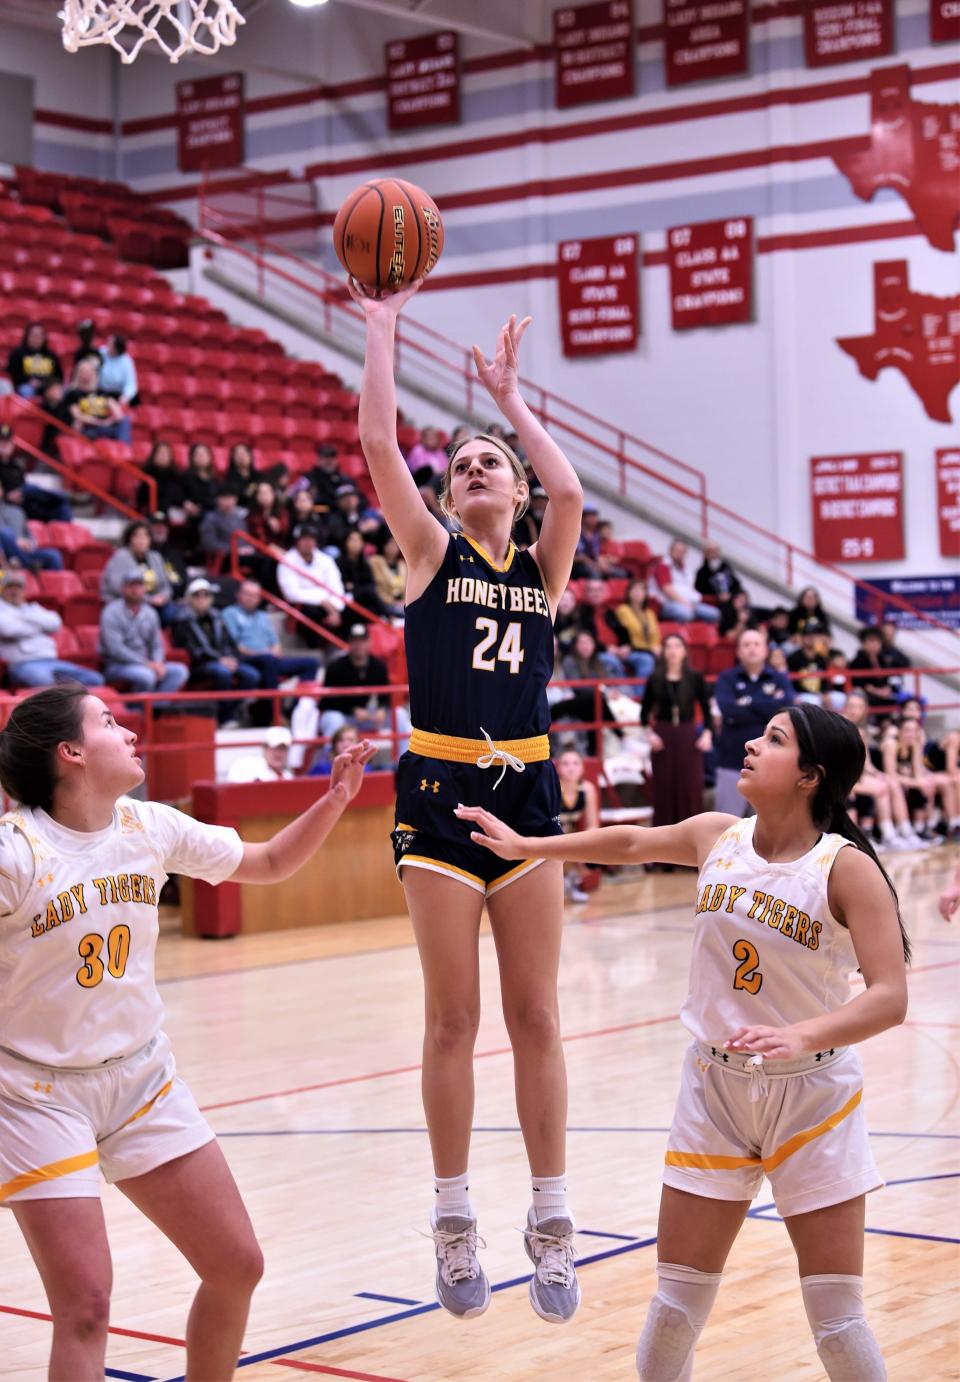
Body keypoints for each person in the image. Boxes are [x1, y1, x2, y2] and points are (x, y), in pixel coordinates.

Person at [458, 702, 910, 1382]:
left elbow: (889, 996)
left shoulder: (845, 869)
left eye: (775, 740)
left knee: (839, 1326)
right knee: (671, 1315)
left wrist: (801, 1032)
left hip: (814, 1099)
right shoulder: (717, 834)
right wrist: (528, 848)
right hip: (714, 1090)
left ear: (810, 776)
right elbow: (631, 845)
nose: (752, 744)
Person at [0, 682, 373, 1380]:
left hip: (142, 1079)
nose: (131, 731)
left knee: (237, 1265)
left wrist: (333, 800)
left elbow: (266, 864)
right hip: (36, 1093)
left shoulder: (150, 826)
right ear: (72, 752)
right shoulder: (17, 853)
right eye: (110, 722)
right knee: (84, 1306)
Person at [351, 277, 584, 1324]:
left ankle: (552, 1216)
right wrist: (383, 329)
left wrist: (512, 399)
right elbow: (378, 449)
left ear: (515, 489)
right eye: (464, 463)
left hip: (529, 793)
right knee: (455, 1017)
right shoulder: (432, 553)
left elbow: (571, 492)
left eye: (492, 460)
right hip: (442, 792)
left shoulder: (541, 565)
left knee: (537, 1014)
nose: (477, 466)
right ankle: (452, 1220)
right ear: (446, 498)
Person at [291, 622, 409, 758]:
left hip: (365, 716)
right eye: (355, 641)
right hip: (344, 717)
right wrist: (352, 709)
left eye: (362, 641)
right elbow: (326, 702)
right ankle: (331, 763)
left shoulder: (378, 666)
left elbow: (386, 693)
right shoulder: (336, 667)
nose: (359, 645)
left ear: (369, 643)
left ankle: (403, 764)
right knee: (333, 718)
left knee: (399, 714)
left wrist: (382, 708)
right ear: (349, 643)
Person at [714, 628, 794, 816]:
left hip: (772, 766)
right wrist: (768, 705)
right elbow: (729, 710)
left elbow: (786, 710)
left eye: (757, 644)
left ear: (765, 650)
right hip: (732, 762)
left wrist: (746, 703)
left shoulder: (780, 678)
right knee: (727, 828)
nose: (752, 649)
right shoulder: (726, 678)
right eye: (746, 644)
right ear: (739, 651)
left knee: (768, 831)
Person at [222, 579, 319, 724]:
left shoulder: (263, 616)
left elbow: (276, 645)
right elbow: (235, 646)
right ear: (238, 595)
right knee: (269, 660)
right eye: (247, 594)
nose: (251, 598)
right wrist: (264, 653)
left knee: (311, 663)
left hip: (269, 659)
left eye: (255, 595)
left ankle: (294, 711)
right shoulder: (229, 614)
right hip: (245, 659)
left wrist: (272, 651)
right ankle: (274, 713)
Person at [641, 632, 712, 827]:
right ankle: (663, 851)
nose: (672, 651)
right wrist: (650, 735)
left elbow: (707, 711)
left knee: (689, 787)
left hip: (688, 735)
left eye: (677, 646)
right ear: (663, 652)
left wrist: (706, 734)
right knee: (664, 788)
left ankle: (691, 839)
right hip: (663, 737)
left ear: (684, 651)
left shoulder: (695, 677)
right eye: (669, 646)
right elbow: (644, 713)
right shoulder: (655, 678)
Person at [841, 689, 922, 852]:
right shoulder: (838, 726)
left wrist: (880, 775)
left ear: (864, 710)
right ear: (845, 707)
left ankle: (900, 832)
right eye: (851, 706)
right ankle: (888, 835)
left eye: (858, 707)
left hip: (858, 777)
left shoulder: (862, 731)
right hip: (841, 778)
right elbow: (834, 762)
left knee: (889, 782)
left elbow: (867, 764)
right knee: (881, 788)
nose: (854, 710)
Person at [176, 579, 261, 725]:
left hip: (223, 661)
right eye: (197, 595)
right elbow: (193, 650)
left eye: (206, 595)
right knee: (222, 672)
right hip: (200, 664)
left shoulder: (217, 617)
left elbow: (229, 643)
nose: (202, 599)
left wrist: (232, 659)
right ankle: (226, 717)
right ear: (190, 598)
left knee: (252, 675)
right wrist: (220, 660)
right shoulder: (182, 620)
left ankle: (230, 711)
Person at [0, 569, 104, 688]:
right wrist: (41, 627)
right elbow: (8, 629)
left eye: (18, 587)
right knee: (46, 683)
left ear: (24, 591)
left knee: (94, 679)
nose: (15, 591)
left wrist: (23, 617)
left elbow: (56, 622)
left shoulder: (33, 608)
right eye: (10, 587)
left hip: (51, 661)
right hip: (22, 664)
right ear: (2, 589)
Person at [99, 574, 190, 697]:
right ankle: (136, 710)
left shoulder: (150, 612)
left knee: (180, 671)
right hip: (117, 665)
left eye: (140, 585)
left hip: (147, 663)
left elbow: (157, 644)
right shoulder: (111, 612)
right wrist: (146, 664)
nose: (136, 589)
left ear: (145, 589)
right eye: (132, 585)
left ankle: (155, 708)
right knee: (146, 675)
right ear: (123, 588)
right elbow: (115, 650)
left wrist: (158, 662)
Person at [276, 524, 345, 648]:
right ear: (297, 541)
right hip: (302, 606)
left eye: (311, 539)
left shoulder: (326, 560)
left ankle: (344, 651)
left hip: (329, 604)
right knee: (311, 612)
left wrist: (334, 609)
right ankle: (316, 649)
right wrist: (322, 601)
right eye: (304, 539)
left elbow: (337, 588)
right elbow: (292, 593)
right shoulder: (287, 560)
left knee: (353, 610)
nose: (308, 542)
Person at [100, 520, 179, 624]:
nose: (142, 540)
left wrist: (163, 597)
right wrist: (149, 600)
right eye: (137, 536)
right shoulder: (120, 557)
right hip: (126, 604)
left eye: (146, 536)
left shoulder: (156, 557)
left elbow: (166, 585)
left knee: (178, 613)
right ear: (129, 539)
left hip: (155, 604)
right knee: (149, 616)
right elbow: (119, 588)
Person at [0, 423, 73, 523]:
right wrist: (7, 497)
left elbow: (22, 484)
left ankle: (65, 534)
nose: (5, 445)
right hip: (8, 504)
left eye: (7, 441)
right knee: (31, 489)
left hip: (25, 500)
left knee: (61, 505)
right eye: (2, 441)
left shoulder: (16, 464)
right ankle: (59, 495)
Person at [555, 746, 600, 904]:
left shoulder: (587, 789)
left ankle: (571, 882)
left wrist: (583, 845)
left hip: (571, 838)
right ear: (558, 767)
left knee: (595, 855)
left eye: (575, 763)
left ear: (582, 767)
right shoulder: (553, 788)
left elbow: (593, 824)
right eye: (566, 764)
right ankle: (555, 884)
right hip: (551, 838)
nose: (571, 768)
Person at [650, 539, 721, 624]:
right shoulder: (663, 566)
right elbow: (667, 589)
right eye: (677, 550)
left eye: (682, 551)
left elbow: (691, 591)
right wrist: (685, 604)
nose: (679, 553)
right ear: (670, 551)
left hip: (688, 602)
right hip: (667, 604)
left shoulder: (686, 571)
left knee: (715, 614)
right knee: (686, 614)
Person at [64, 359, 131, 446]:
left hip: (104, 427)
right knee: (82, 427)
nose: (87, 373)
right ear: (78, 373)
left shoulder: (102, 392)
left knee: (125, 420)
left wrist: (113, 409)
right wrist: (100, 422)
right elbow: (78, 415)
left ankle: (124, 452)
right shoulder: (73, 394)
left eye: (90, 370)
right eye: (84, 371)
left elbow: (118, 416)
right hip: (88, 427)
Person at [606, 578, 661, 683]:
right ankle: (639, 695)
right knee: (646, 660)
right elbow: (626, 634)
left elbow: (655, 636)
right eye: (634, 590)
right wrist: (651, 649)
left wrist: (656, 647)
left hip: (648, 650)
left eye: (641, 590)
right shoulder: (623, 610)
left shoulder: (650, 613)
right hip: (631, 650)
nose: (638, 593)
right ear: (628, 593)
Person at [849, 626, 900, 712]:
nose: (875, 644)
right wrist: (876, 691)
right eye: (871, 641)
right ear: (864, 643)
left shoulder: (883, 659)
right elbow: (859, 683)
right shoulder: (858, 661)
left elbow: (890, 677)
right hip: (867, 694)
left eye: (878, 641)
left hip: (883, 693)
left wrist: (888, 688)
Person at [137, 441, 188, 525]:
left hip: (174, 508)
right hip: (152, 509)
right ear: (154, 455)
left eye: (166, 453)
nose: (163, 455)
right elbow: (141, 497)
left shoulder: (177, 475)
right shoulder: (147, 474)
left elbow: (180, 496)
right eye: (160, 452)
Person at [6, 322, 62, 398]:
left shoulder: (51, 355)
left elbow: (58, 376)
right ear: (27, 337)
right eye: (33, 335)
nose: (36, 339)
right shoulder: (18, 353)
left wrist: (45, 383)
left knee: (62, 392)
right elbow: (14, 373)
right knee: (26, 390)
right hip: (26, 385)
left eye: (39, 336)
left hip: (47, 386)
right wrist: (29, 381)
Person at [227, 724, 295, 782]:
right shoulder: (246, 767)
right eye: (274, 748)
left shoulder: (288, 777)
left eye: (283, 749)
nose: (278, 753)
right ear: (264, 748)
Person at [786, 620, 830, 704]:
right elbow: (789, 682)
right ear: (802, 637)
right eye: (808, 635)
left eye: (815, 635)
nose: (812, 638)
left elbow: (825, 682)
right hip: (799, 695)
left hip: (817, 695)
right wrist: (793, 695)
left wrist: (825, 694)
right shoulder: (793, 658)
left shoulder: (821, 659)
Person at [369, 532, 407, 619]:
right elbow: (377, 586)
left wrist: (403, 601)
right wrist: (391, 602)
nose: (393, 547)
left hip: (401, 604)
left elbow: (407, 588)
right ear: (384, 544)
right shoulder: (375, 561)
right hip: (384, 603)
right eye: (390, 543)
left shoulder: (402, 565)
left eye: (395, 544)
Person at [694, 541, 743, 606]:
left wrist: (731, 595)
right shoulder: (701, 572)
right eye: (711, 551)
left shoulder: (725, 567)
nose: (714, 554)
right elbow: (700, 592)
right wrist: (718, 597)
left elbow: (736, 585)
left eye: (716, 551)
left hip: (731, 599)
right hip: (716, 602)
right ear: (706, 554)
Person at [98, 335, 139, 407]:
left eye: (110, 345)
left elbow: (131, 385)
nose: (107, 346)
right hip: (100, 392)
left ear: (116, 349)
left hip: (117, 395)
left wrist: (125, 398)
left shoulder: (126, 362)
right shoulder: (101, 353)